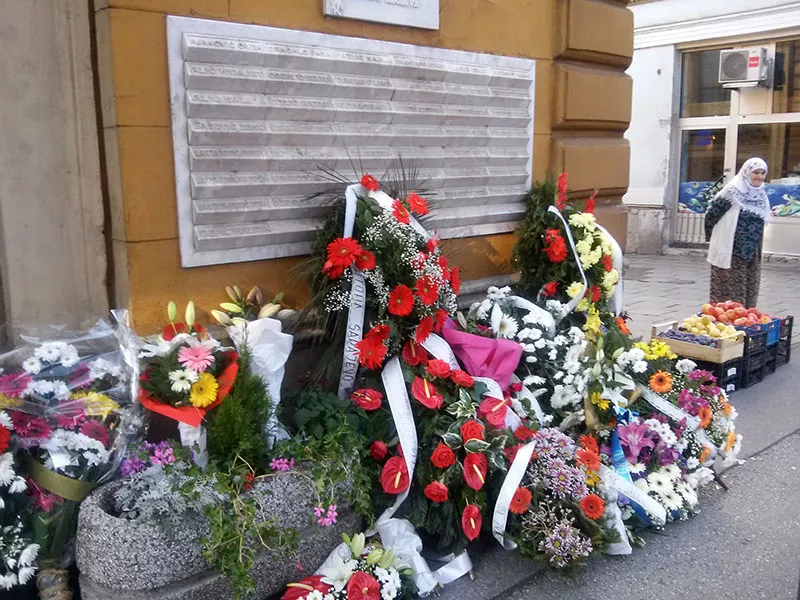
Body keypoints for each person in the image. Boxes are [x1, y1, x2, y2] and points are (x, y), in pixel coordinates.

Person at [705, 157, 771, 307]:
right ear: (747, 172)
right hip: (732, 248)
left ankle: (747, 315)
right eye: (756, 172)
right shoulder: (732, 191)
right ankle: (726, 316)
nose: (759, 177)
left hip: (752, 250)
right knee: (730, 287)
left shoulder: (761, 195)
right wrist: (713, 239)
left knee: (749, 285)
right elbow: (712, 215)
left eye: (762, 173)